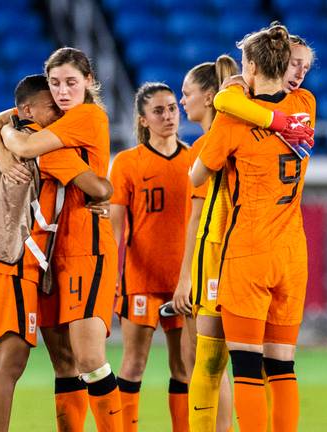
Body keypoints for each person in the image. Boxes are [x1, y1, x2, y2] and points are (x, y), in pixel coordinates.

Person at [175, 34, 315, 432]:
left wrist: (233, 94)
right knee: (283, 366)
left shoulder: (232, 121)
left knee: (248, 367)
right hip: (292, 254)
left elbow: (196, 175)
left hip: (246, 253)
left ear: (251, 68)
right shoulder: (305, 107)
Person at [0, 74, 113, 432]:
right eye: (52, 105)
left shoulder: (17, 137)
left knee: (2, 364)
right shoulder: (41, 145)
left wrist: (4, 132)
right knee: (9, 362)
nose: (61, 110)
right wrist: (103, 197)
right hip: (12, 260)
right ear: (27, 109)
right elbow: (101, 186)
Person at [107, 82, 190, 432]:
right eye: (159, 110)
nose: (168, 116)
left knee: (184, 366)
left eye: (172, 108)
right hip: (141, 280)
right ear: (143, 119)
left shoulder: (196, 160)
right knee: (134, 364)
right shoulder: (127, 163)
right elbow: (114, 227)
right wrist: (111, 273)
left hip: (183, 283)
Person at [175, 56, 240, 432]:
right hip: (233, 252)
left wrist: (185, 278)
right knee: (219, 360)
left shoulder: (210, 143)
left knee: (209, 359)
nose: (184, 102)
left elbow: (199, 217)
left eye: (187, 94)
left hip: (214, 255)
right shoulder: (237, 132)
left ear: (211, 95)